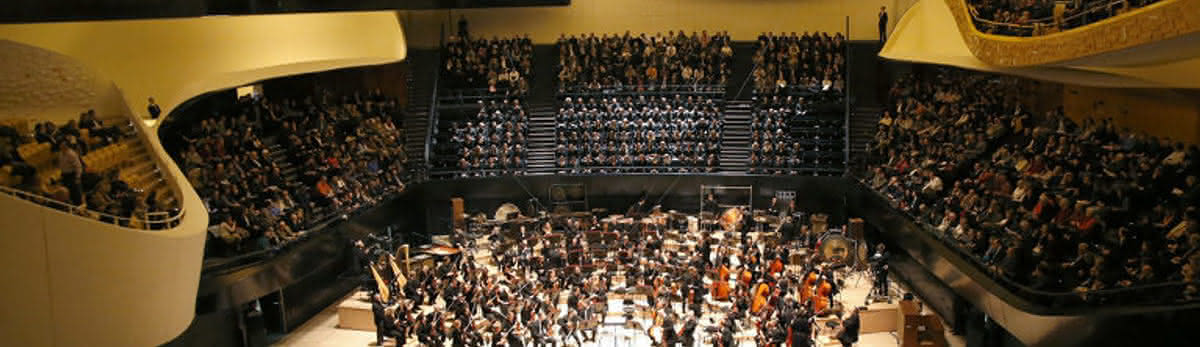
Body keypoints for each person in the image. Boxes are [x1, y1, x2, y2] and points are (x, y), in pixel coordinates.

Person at [55, 140, 84, 206]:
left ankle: (78, 206)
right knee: (65, 192)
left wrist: (77, 177)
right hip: (64, 175)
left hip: (71, 175)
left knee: (75, 193)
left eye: (63, 145)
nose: (61, 146)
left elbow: (78, 166)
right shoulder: (60, 153)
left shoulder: (71, 154)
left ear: (66, 146)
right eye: (61, 145)